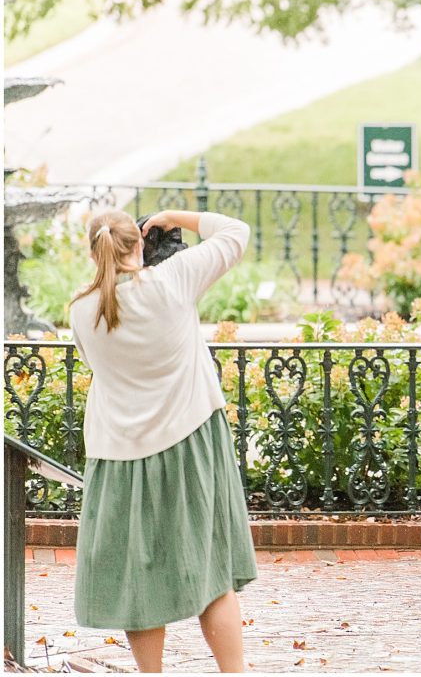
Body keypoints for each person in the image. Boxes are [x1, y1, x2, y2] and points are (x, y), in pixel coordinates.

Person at [70, 209, 257, 672]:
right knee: (212, 574)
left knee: (141, 580)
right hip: (192, 441)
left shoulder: (82, 309)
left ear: (94, 253)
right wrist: (174, 216)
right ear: (141, 241)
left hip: (122, 456)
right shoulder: (174, 279)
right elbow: (237, 232)